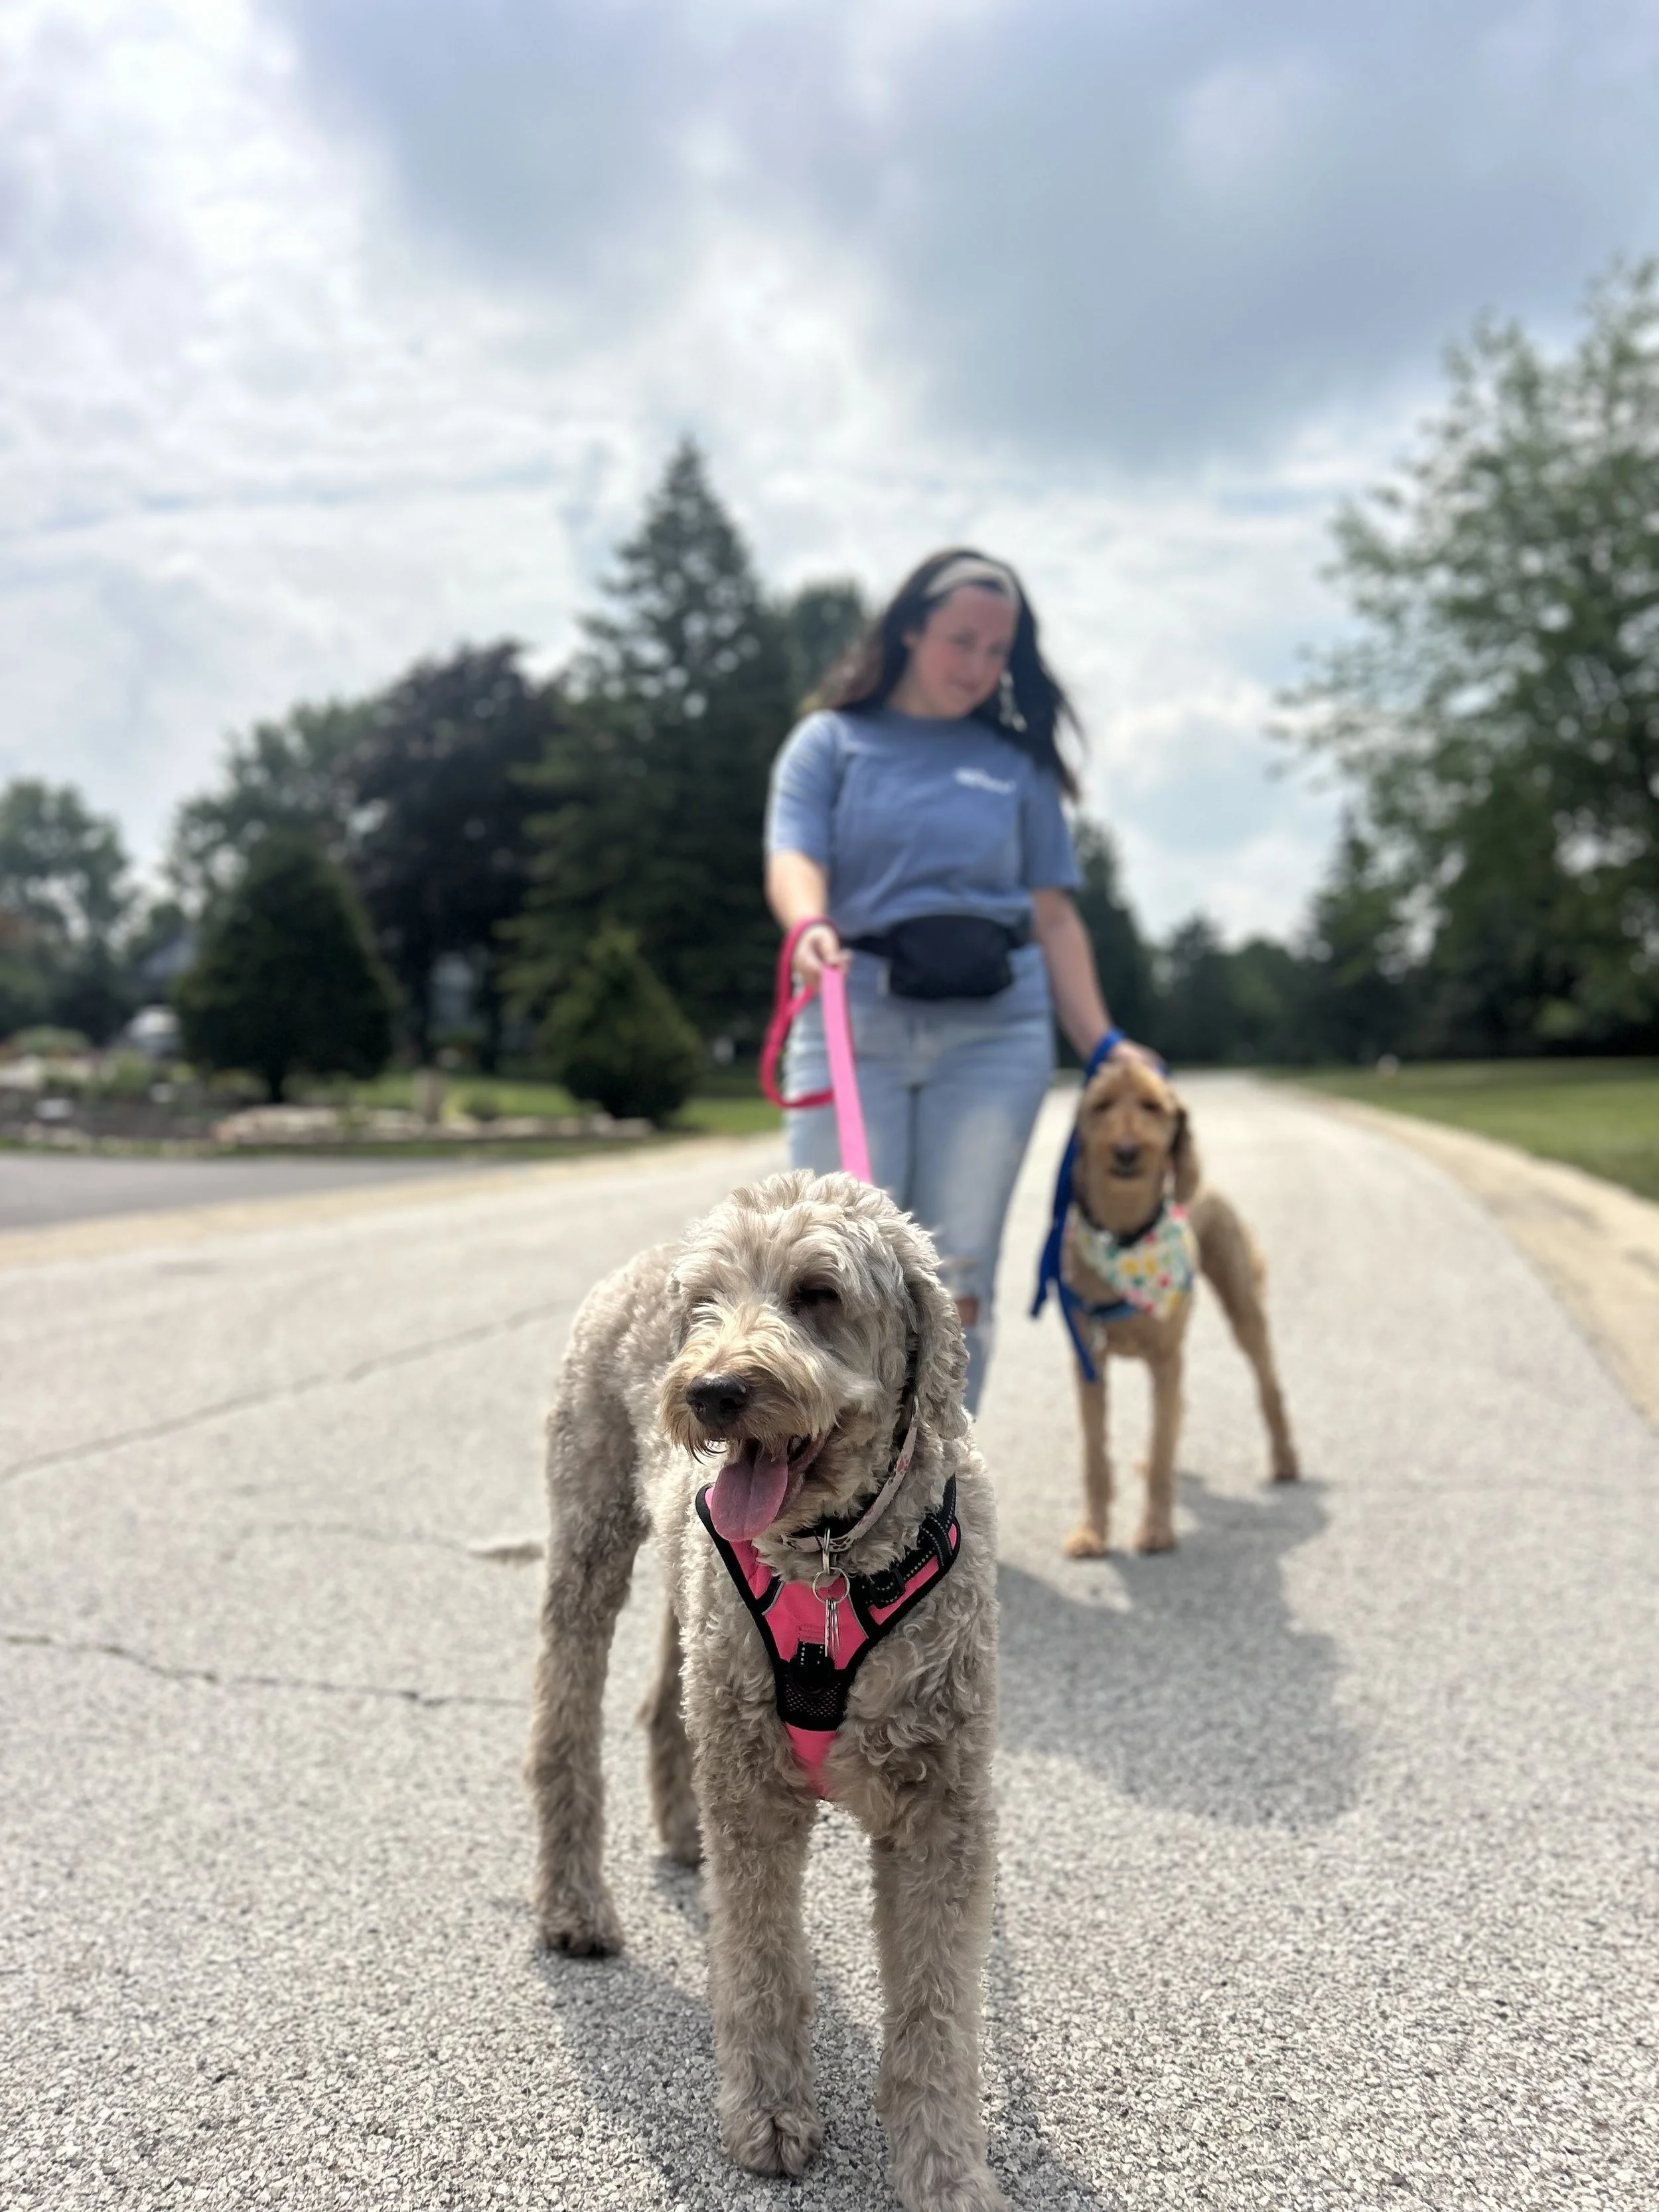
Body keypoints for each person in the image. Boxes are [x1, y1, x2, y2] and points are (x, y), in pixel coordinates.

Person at [764, 547, 1149, 1415]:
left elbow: (1054, 916)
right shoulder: (831, 742)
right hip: (855, 1013)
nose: (978, 666)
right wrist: (809, 922)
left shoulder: (1017, 765)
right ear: (909, 630)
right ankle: (830, 1479)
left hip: (994, 1034)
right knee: (830, 1262)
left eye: (996, 651)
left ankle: (935, 1477)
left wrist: (1105, 1042)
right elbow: (793, 855)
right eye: (961, 641)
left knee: (957, 1271)